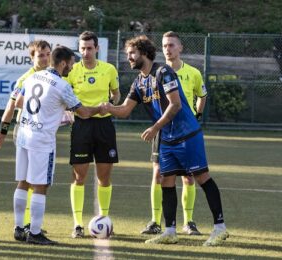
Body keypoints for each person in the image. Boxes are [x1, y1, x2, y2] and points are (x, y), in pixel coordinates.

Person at [100, 35, 228, 246]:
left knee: (201, 177)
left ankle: (220, 228)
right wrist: (107, 108)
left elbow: (175, 104)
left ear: (144, 53)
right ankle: (170, 231)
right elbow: (124, 110)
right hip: (167, 139)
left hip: (187, 135)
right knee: (166, 181)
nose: (129, 58)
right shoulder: (139, 81)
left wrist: (155, 127)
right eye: (127, 54)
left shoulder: (163, 72)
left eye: (132, 53)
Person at [13, 45, 101, 245]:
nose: (73, 66)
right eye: (71, 63)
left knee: (23, 183)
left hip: (24, 135)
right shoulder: (62, 86)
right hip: (42, 141)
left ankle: (19, 228)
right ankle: (35, 233)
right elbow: (85, 113)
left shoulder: (33, 77)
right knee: (41, 185)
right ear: (63, 63)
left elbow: (19, 102)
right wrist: (102, 107)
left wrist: (51, 113)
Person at [141, 31, 207, 236]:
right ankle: (155, 221)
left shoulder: (193, 73)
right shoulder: (157, 73)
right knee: (158, 174)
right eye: (164, 45)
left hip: (185, 132)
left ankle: (189, 222)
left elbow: (202, 95)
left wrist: (197, 115)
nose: (167, 49)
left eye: (171, 45)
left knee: (188, 178)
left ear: (180, 48)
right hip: (163, 128)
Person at [0, 40, 51, 238]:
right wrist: (2, 132)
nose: (45, 58)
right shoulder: (26, 79)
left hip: (31, 132)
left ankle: (21, 227)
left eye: (48, 54)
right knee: (36, 182)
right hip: (29, 133)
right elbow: (10, 107)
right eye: (40, 55)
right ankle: (31, 228)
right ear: (31, 57)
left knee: (27, 181)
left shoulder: (49, 76)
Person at [66, 31, 120, 238]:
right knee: (79, 176)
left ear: (97, 48)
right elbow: (64, 93)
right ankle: (78, 224)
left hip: (104, 126)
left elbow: (116, 93)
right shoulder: (72, 71)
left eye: (89, 48)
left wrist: (112, 103)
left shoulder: (109, 69)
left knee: (104, 177)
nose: (86, 52)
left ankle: (104, 220)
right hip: (81, 126)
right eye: (82, 49)